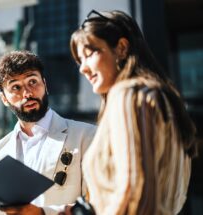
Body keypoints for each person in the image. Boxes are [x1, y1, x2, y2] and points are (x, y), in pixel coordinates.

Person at [65, 10, 197, 215]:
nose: (82, 68)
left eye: (89, 54)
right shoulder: (162, 99)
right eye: (79, 60)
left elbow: (135, 192)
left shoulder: (128, 95)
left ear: (121, 48)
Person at [0, 50, 96, 215]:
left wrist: (42, 213)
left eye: (32, 81)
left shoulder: (86, 136)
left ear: (45, 85)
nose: (27, 93)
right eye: (15, 87)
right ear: (4, 99)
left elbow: (98, 204)